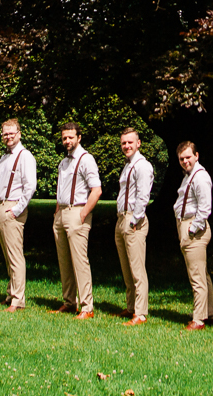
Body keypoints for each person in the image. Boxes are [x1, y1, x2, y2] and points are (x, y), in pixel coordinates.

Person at [0, 117, 38, 310]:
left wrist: (16, 210)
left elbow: (30, 187)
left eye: (11, 133)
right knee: (8, 256)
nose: (8, 137)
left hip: (13, 208)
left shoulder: (25, 156)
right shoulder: (4, 157)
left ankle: (18, 300)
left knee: (15, 256)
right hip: (0, 207)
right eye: (5, 134)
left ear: (19, 134)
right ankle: (10, 295)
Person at [52, 121, 102, 319]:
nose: (67, 141)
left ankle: (87, 306)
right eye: (64, 138)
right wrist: (57, 213)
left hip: (77, 212)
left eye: (71, 137)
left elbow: (96, 190)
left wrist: (82, 215)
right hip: (62, 213)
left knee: (80, 261)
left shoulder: (86, 159)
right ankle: (69, 301)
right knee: (64, 261)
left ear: (79, 138)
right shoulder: (64, 162)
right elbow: (60, 191)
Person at [172, 140, 213, 330]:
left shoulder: (200, 177)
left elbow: (205, 208)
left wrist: (192, 229)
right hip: (187, 226)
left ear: (196, 156)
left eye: (188, 157)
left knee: (196, 276)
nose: (185, 161)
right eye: (181, 159)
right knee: (202, 274)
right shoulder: (189, 176)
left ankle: (198, 319)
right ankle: (209, 313)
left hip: (194, 229)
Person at [112, 128, 154, 325]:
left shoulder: (142, 166)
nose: (126, 146)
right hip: (122, 219)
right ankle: (131, 307)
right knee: (126, 268)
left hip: (133, 220)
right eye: (123, 143)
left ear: (138, 143)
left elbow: (143, 196)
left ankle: (141, 313)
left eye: (130, 142)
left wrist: (135, 220)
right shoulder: (127, 166)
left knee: (137, 269)